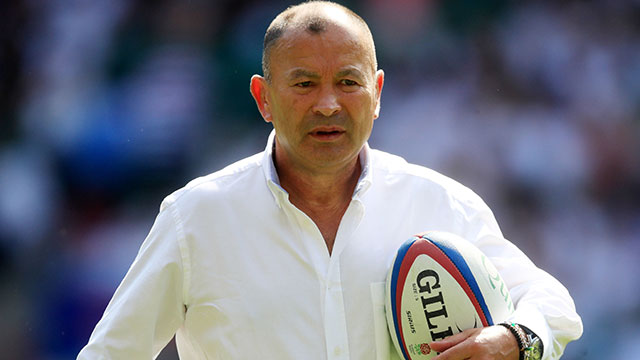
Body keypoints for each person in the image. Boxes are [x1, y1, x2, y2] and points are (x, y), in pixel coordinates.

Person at [77, 1, 583, 359]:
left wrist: (515, 340)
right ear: (263, 98)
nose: (327, 103)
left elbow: (551, 304)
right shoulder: (197, 217)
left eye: (348, 82)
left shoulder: (440, 203)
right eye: (303, 83)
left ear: (378, 91)